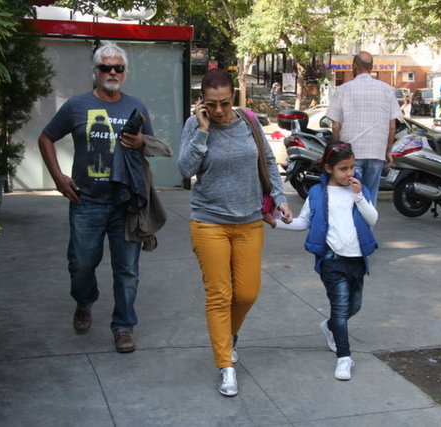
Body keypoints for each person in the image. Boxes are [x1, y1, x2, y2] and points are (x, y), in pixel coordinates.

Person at [178, 68, 293, 397]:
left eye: (225, 103)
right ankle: (225, 364)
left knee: (247, 293)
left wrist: (280, 199)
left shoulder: (249, 121)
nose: (218, 110)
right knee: (219, 295)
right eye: (211, 104)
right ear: (202, 101)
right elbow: (185, 170)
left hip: (249, 221)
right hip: (209, 221)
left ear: (234, 98)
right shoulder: (195, 125)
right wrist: (202, 132)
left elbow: (268, 161)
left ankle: (227, 337)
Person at [38, 42, 153, 353]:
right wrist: (58, 177)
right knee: (80, 265)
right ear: (96, 71)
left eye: (118, 68)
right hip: (86, 202)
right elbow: (46, 137)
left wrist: (142, 142)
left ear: (125, 72)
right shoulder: (77, 106)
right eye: (106, 67)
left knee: (127, 271)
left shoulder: (137, 107)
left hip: (126, 203)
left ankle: (124, 326)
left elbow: (150, 146)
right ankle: (84, 301)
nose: (112, 72)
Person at [267, 142, 378, 380]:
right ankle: (344, 358)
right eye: (343, 168)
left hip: (357, 259)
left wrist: (359, 197)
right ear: (328, 168)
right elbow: (303, 222)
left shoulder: (359, 190)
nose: (349, 173)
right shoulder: (318, 193)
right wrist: (277, 222)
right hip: (331, 259)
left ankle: (329, 326)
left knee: (354, 306)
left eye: (352, 167)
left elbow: (372, 220)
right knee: (340, 308)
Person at [326, 51, 401, 206]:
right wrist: (388, 151)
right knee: (369, 199)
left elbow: (336, 125)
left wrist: (337, 151)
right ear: (371, 67)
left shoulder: (343, 90)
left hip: (350, 154)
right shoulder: (387, 89)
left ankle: (351, 222)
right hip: (376, 153)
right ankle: (368, 222)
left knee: (350, 198)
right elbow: (392, 126)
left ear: (354, 66)